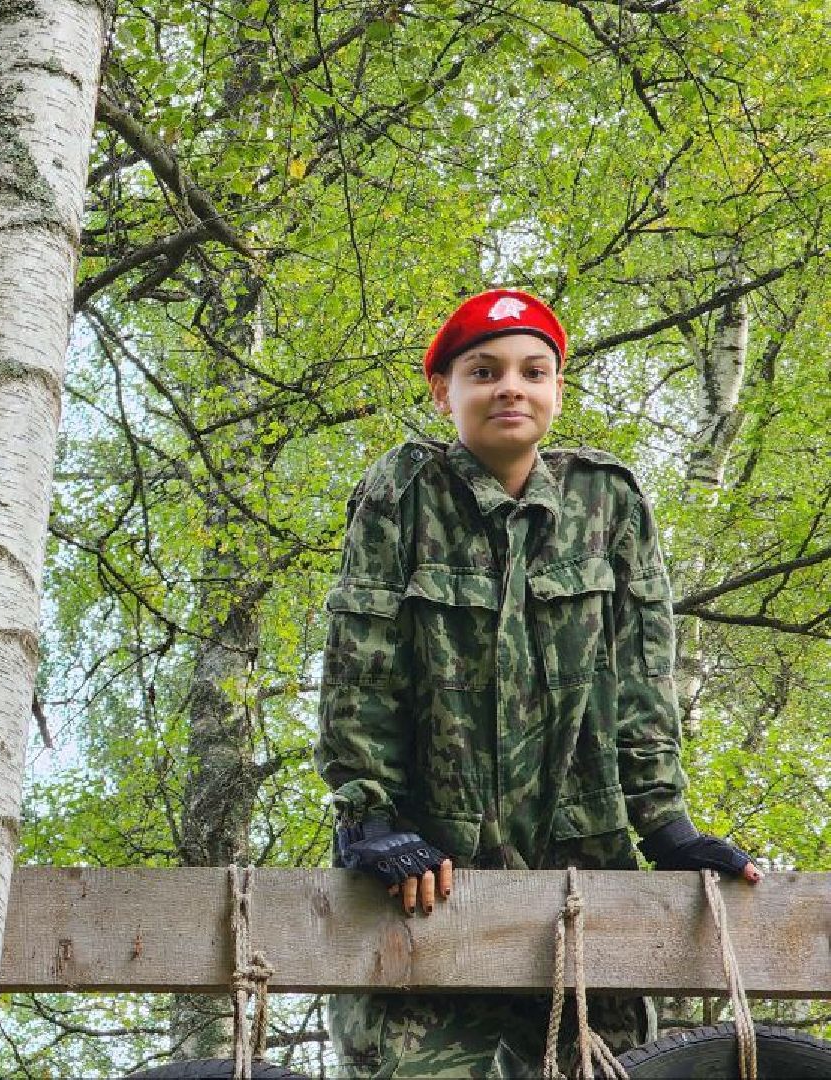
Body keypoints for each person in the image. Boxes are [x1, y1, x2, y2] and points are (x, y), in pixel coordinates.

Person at [313, 288, 761, 1077]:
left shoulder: (607, 500)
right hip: (426, 873)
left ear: (557, 388)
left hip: (582, 873)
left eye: (532, 370)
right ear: (442, 390)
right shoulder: (402, 492)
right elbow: (362, 661)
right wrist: (369, 817)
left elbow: (641, 673)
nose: (508, 387)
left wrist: (664, 825)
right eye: (481, 371)